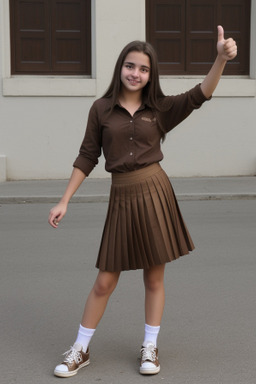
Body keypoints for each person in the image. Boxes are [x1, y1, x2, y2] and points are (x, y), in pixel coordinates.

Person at [48, 25, 237, 377]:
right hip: (122, 196)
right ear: (121, 67)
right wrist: (65, 200)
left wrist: (220, 59)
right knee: (105, 280)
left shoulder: (160, 109)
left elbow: (201, 94)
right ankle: (80, 349)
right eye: (131, 66)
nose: (136, 73)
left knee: (154, 278)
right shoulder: (101, 109)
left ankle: (150, 347)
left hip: (155, 193)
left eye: (144, 69)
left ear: (151, 75)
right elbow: (87, 156)